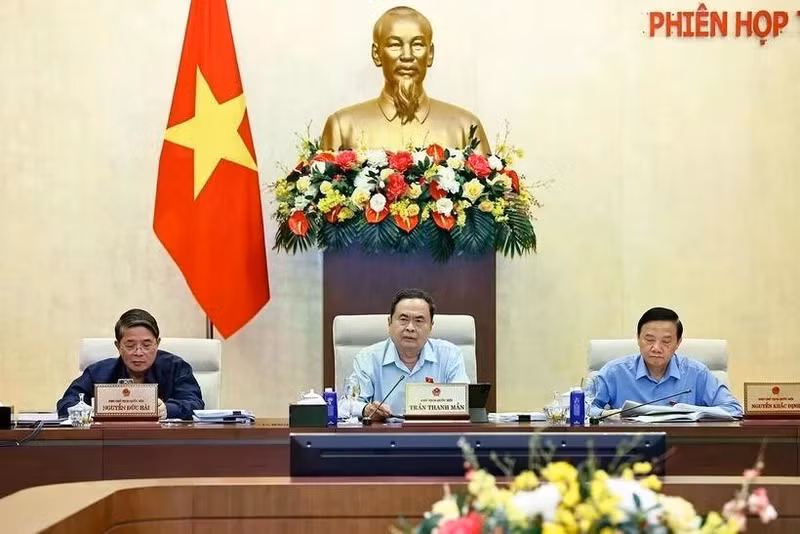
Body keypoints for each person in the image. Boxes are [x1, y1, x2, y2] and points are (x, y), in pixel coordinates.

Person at [320, 6, 490, 153]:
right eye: (394, 45)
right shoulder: (342, 127)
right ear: (376, 54)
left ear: (430, 54)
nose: (407, 56)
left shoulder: (465, 128)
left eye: (417, 45)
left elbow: (496, 190)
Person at [591, 307, 743, 418]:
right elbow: (578, 409)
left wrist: (692, 411)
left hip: (684, 447)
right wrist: (606, 413)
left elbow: (734, 409)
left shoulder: (696, 373)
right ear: (638, 338)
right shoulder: (615, 371)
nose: (656, 348)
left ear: (678, 343)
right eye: (649, 340)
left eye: (666, 341)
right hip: (630, 448)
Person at [56, 308, 204, 420]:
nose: (138, 352)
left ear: (157, 343)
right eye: (130, 345)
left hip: (164, 445)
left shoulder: (176, 368)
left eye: (147, 345)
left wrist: (168, 409)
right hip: (111, 444)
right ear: (118, 346)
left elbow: (195, 403)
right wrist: (92, 410)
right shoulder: (98, 372)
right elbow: (66, 403)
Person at [348, 288, 470, 421]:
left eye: (418, 321)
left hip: (435, 436)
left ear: (431, 326)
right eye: (403, 319)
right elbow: (347, 405)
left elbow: (465, 403)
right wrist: (366, 409)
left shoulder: (450, 356)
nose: (410, 328)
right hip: (385, 437)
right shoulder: (368, 359)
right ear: (389, 323)